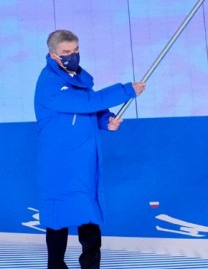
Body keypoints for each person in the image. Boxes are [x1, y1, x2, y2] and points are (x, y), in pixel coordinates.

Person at [34, 29, 146, 268]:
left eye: (76, 50)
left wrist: (106, 121)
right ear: (53, 54)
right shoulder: (49, 83)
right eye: (66, 52)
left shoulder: (78, 78)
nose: (72, 55)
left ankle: (91, 265)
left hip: (83, 158)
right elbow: (84, 103)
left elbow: (89, 112)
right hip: (59, 159)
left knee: (88, 210)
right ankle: (55, 265)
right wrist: (126, 91)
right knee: (58, 213)